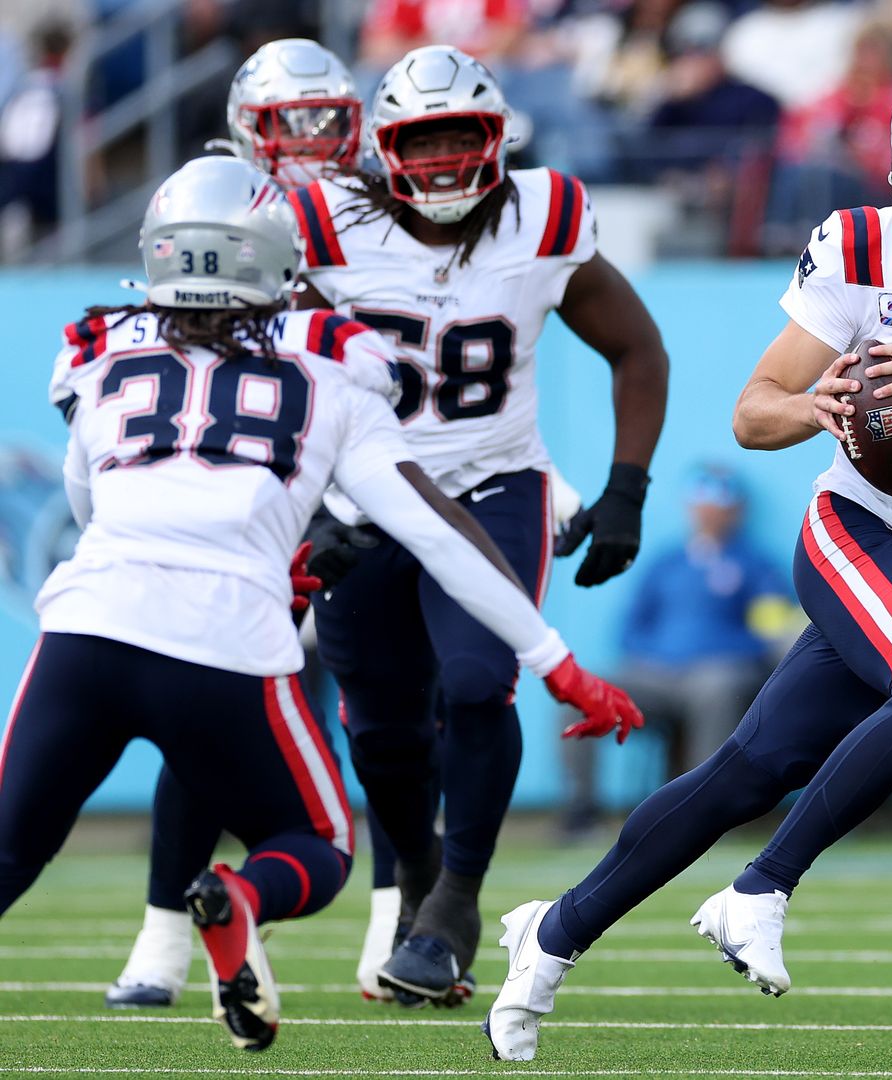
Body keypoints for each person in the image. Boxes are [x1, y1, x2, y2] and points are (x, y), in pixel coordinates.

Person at [483, 61, 892, 1061]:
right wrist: (814, 407)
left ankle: (551, 933)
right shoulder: (865, 246)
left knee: (749, 769)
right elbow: (753, 411)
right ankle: (762, 887)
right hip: (859, 528)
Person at [0, 155, 639, 1051]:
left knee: (10, 850)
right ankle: (243, 897)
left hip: (87, 631)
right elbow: (436, 532)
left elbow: (86, 501)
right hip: (226, 647)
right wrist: (556, 663)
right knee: (320, 843)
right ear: (277, 257)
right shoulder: (333, 368)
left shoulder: (102, 349)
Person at [292, 45, 670, 1006]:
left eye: (465, 135)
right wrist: (301, 502)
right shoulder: (324, 225)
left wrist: (625, 485)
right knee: (380, 727)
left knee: (473, 680)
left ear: (499, 136)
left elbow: (636, 347)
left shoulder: (544, 215)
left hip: (495, 484)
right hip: (362, 502)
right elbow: (282, 379)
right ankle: (418, 879)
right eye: (425, 139)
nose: (449, 159)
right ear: (384, 148)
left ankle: (455, 901)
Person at [97, 36, 413, 1012]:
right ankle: (162, 936)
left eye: (328, 120)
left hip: (357, 477)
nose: (313, 141)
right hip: (241, 491)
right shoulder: (211, 202)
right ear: (247, 126)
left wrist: (361, 511)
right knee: (213, 712)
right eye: (292, 122)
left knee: (394, 714)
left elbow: (410, 358)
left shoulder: (386, 205)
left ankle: (399, 933)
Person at [559, 466, 789, 834]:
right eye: (702, 500)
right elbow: (631, 629)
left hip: (717, 674)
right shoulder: (665, 563)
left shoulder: (756, 566)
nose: (710, 510)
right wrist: (658, 658)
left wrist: (723, 652)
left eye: (720, 502)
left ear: (737, 508)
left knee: (715, 689)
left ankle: (703, 814)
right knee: (581, 691)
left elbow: (772, 635)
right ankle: (581, 811)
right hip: (656, 676)